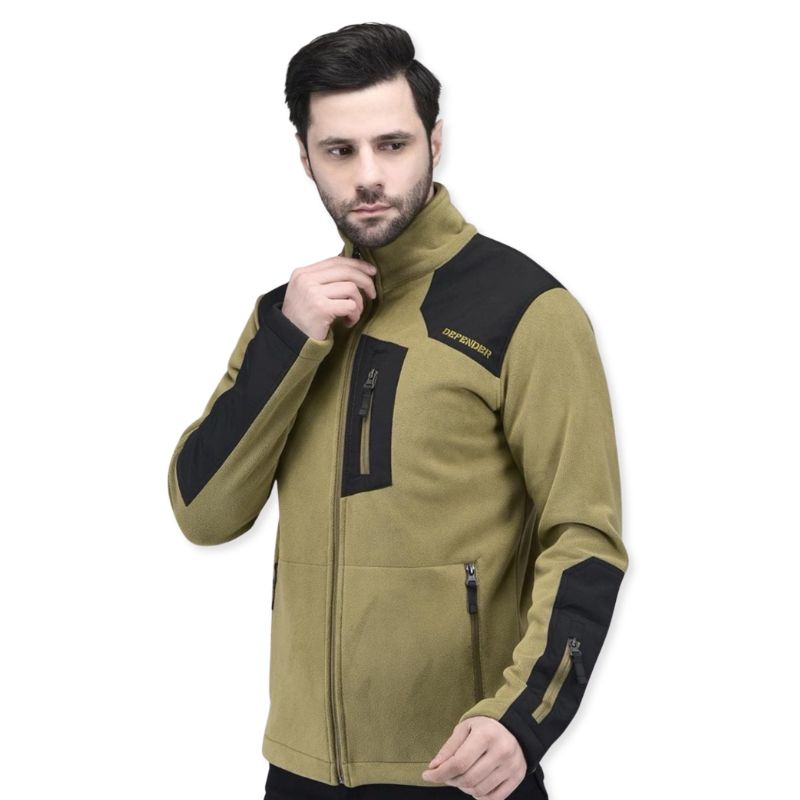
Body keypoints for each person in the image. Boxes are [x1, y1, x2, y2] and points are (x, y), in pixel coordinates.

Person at [167, 21, 629, 800]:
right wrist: (290, 339)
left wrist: (522, 720)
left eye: (393, 144)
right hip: (300, 770)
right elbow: (203, 512)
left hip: (463, 768)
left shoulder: (527, 310)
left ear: (435, 141)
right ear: (305, 157)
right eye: (339, 151)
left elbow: (585, 538)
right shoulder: (289, 316)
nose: (369, 176)